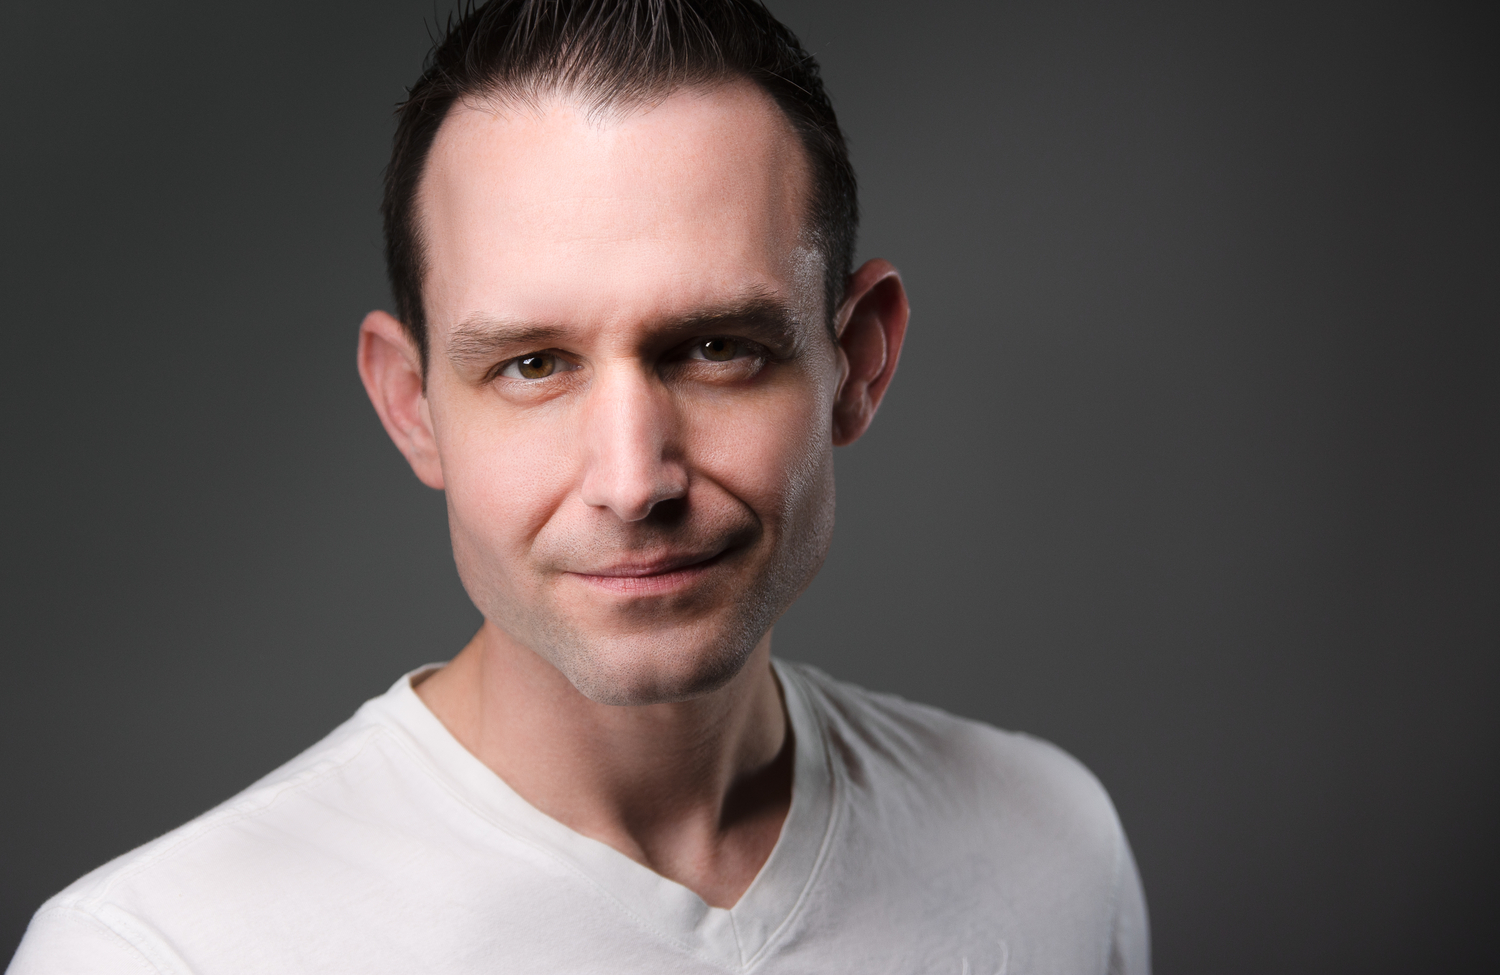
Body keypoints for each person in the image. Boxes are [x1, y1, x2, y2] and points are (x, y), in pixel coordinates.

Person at [9, 1, 1149, 972]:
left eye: (715, 348)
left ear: (858, 363)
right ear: (412, 405)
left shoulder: (1049, 847)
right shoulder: (156, 952)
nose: (633, 480)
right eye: (532, 365)